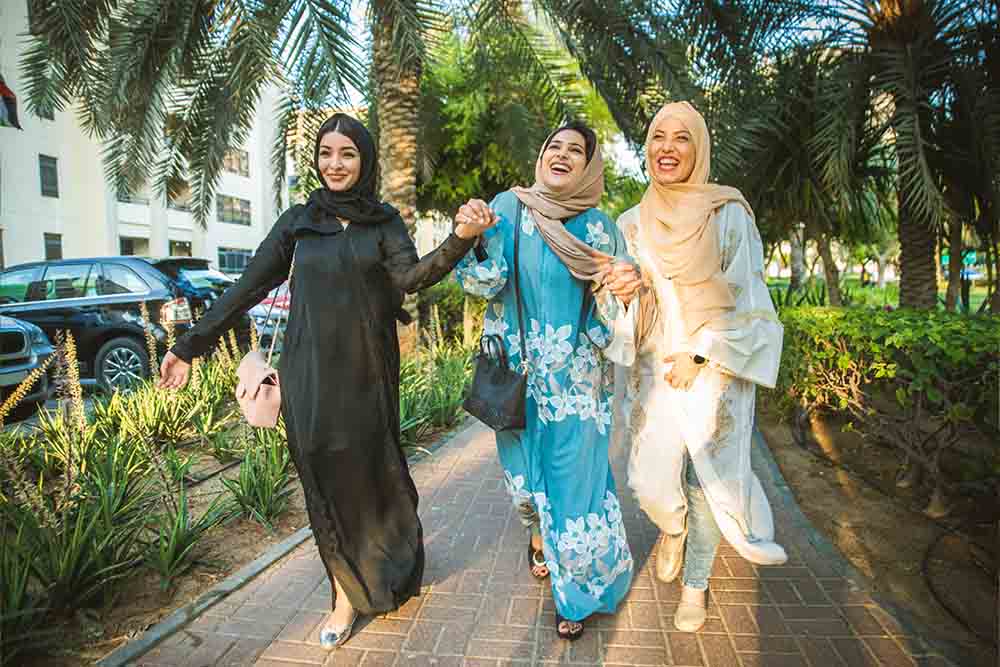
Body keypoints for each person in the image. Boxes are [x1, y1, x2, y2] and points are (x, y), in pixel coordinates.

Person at [158, 113, 496, 649]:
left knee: (375, 476)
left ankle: (391, 568)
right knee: (325, 482)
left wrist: (458, 239)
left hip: (368, 372)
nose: (334, 164)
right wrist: (187, 346)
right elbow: (246, 287)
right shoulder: (299, 221)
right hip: (308, 374)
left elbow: (410, 278)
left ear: (365, 161)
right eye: (326, 153)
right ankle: (343, 593)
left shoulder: (382, 222)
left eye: (348, 154)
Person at [454, 122, 642, 640]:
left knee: (574, 494)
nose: (562, 155)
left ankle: (574, 595)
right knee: (526, 490)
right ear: (541, 157)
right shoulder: (508, 208)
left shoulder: (601, 229)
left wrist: (621, 292)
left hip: (578, 390)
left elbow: (607, 320)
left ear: (588, 167)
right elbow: (481, 283)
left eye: (575, 151)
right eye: (554, 147)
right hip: (515, 384)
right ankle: (537, 536)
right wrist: (472, 239)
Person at [611, 101, 787, 633]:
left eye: (681, 137)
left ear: (699, 147)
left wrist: (701, 352)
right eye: (658, 137)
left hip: (713, 369)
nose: (668, 147)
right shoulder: (631, 222)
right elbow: (627, 302)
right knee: (649, 482)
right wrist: (623, 294)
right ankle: (672, 528)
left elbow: (749, 296)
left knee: (707, 480)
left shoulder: (726, 213)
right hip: (654, 371)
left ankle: (696, 583)